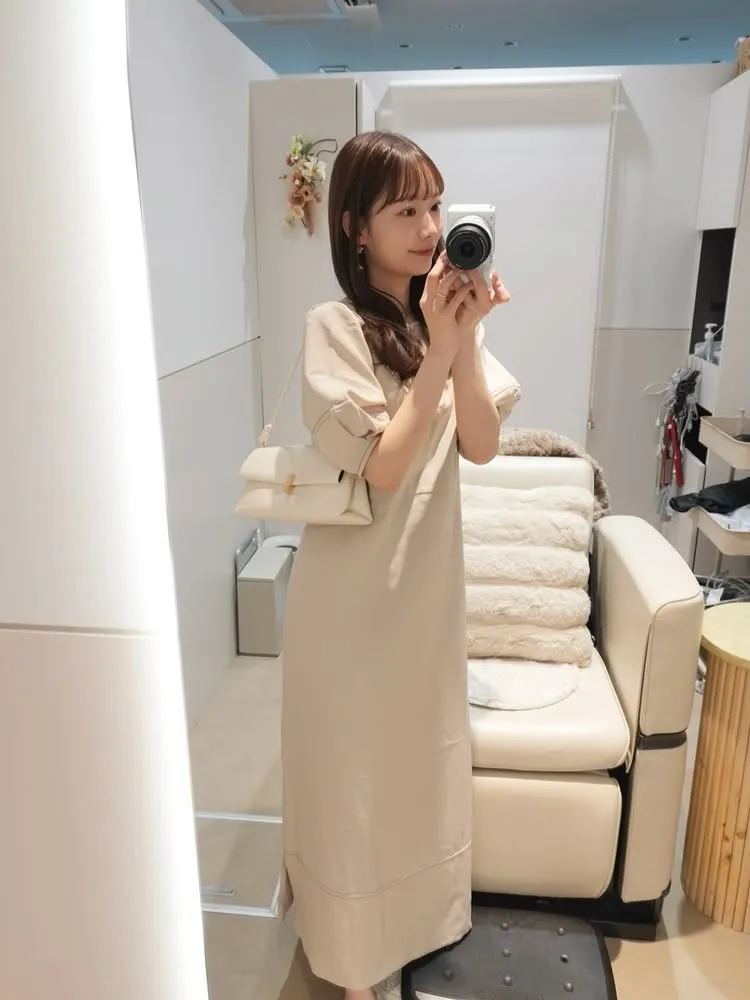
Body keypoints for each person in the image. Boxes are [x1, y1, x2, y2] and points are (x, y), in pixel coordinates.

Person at [279, 131, 520, 1000]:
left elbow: (482, 444)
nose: (428, 228)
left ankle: (415, 927)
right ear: (355, 226)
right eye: (405, 210)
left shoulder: (445, 316)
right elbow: (382, 468)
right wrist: (439, 351)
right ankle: (352, 964)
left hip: (424, 589)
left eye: (435, 205)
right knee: (352, 776)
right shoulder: (334, 328)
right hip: (350, 599)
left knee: (416, 763)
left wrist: (462, 337)